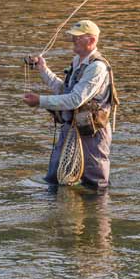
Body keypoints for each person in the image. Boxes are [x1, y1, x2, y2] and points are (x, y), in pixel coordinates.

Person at [23, 20, 118, 191]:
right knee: (54, 178)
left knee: (96, 185)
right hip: (72, 127)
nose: (72, 40)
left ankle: (96, 215)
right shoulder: (77, 61)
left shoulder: (97, 67)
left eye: (77, 37)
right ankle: (57, 214)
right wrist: (43, 69)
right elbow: (63, 90)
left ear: (91, 41)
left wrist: (40, 101)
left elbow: (75, 100)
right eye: (72, 36)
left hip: (92, 133)